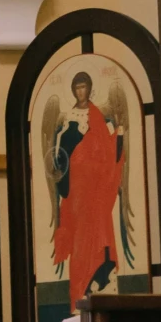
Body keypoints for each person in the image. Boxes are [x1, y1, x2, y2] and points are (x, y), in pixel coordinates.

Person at [50, 71, 124, 306]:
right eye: (77, 87)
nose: (80, 91)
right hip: (76, 194)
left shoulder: (100, 116)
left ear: (89, 89)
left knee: (100, 234)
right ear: (73, 90)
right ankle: (80, 292)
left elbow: (108, 150)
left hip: (96, 192)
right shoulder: (66, 119)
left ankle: (100, 283)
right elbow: (59, 153)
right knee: (80, 241)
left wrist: (119, 137)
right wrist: (63, 177)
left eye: (84, 87)